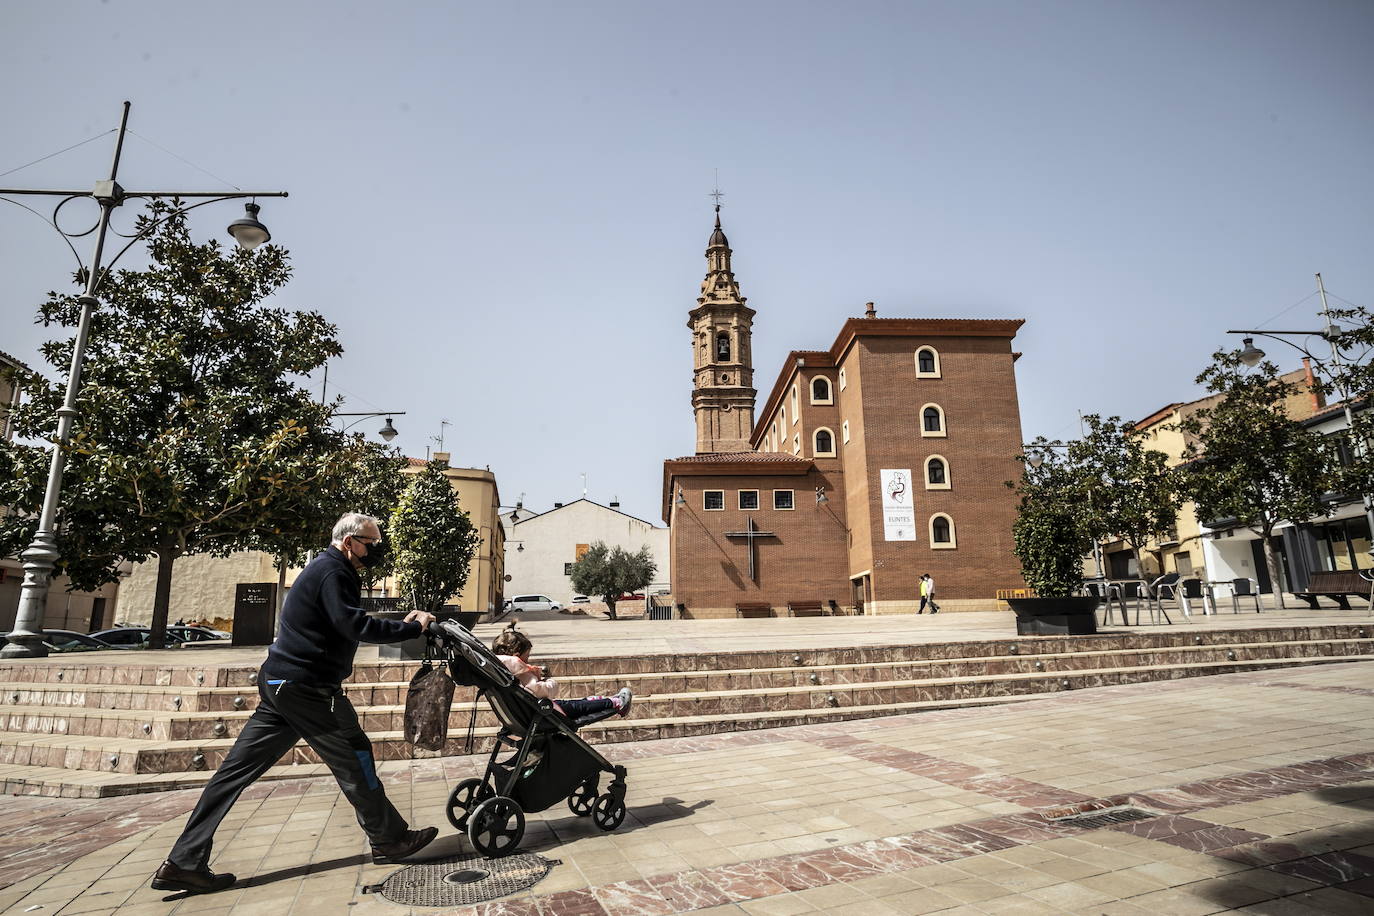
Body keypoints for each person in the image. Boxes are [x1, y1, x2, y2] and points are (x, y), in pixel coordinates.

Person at [152, 513, 439, 895]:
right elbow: (352, 624)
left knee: (233, 774)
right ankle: (389, 839)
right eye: (372, 543)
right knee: (354, 756)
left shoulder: (326, 569)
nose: (376, 551)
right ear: (350, 541)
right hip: (306, 687)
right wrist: (412, 627)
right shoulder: (333, 572)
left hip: (282, 682)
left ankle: (183, 862)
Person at [491, 624, 632, 721]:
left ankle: (605, 700)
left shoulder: (502, 670)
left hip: (526, 712)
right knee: (579, 707)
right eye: (526, 657)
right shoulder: (520, 671)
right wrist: (550, 682)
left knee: (577, 703)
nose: (527, 661)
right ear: (516, 655)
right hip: (541, 713)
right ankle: (617, 703)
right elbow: (541, 691)